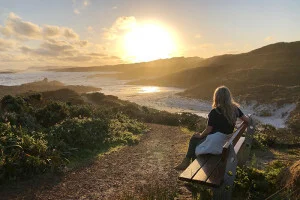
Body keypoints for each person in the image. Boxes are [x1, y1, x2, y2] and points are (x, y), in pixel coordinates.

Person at [174, 86, 249, 170]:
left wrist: (200, 135)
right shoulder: (235, 109)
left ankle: (189, 165)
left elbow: (208, 130)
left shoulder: (214, 112)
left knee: (194, 139)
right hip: (225, 142)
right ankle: (188, 164)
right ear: (228, 97)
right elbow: (247, 120)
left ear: (217, 97)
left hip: (216, 144)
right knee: (197, 138)